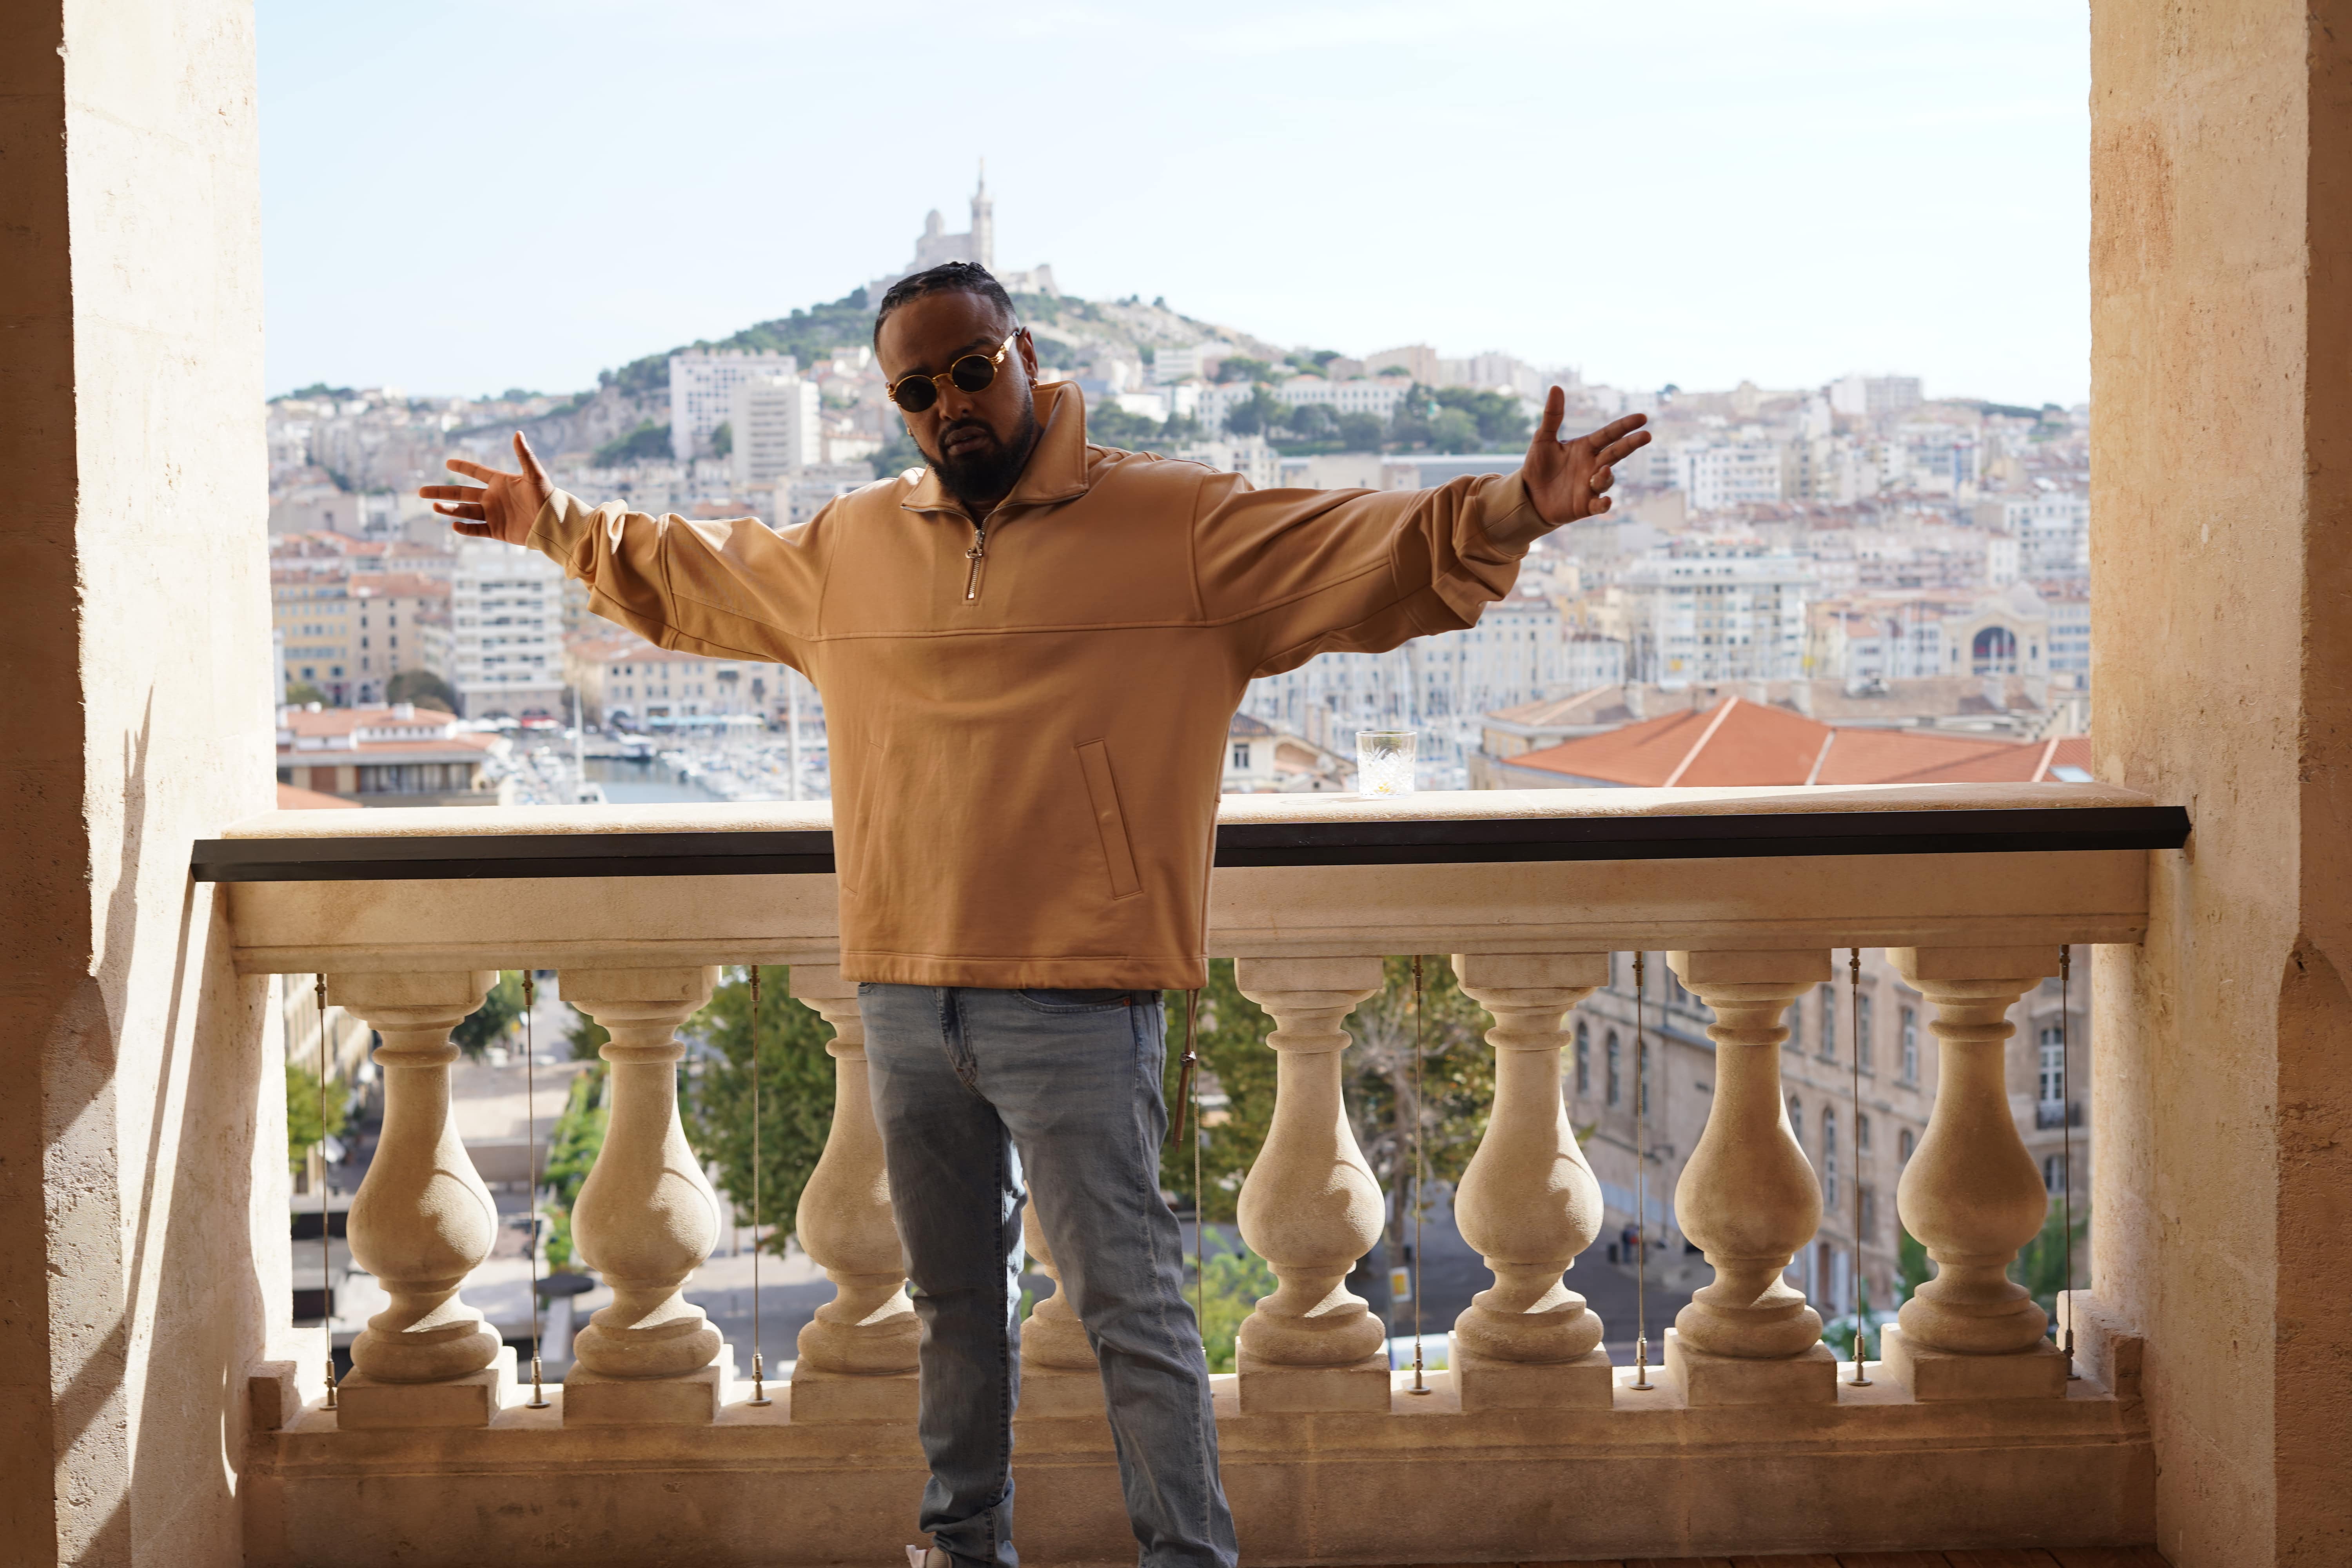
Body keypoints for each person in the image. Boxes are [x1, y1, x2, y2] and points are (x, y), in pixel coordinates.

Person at [423, 260, 1648, 1568]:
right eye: (916, 389)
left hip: (1081, 994)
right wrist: (554, 525)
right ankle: (961, 1548)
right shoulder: (849, 548)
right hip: (904, 994)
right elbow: (692, 572)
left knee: (1133, 1313)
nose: (948, 403)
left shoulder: (1172, 523)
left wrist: (1514, 509)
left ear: (1026, 358)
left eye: (970, 369)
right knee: (952, 1307)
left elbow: (1359, 550)